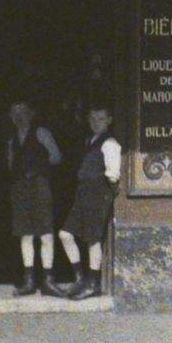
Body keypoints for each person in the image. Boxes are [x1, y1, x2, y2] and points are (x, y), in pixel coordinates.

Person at [56, 106, 121, 301]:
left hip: (97, 192)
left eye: (100, 118)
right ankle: (80, 279)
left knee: (93, 239)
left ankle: (93, 285)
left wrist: (108, 194)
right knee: (65, 234)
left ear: (109, 120)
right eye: (92, 118)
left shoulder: (110, 143)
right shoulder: (89, 141)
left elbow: (113, 173)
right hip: (83, 193)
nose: (96, 122)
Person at [5, 100, 63, 296]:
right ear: (11, 117)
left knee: (46, 233)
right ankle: (29, 281)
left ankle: (48, 280)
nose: (18, 117)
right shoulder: (12, 140)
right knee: (25, 234)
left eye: (22, 112)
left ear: (31, 114)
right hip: (20, 189)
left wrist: (39, 169)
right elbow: (11, 165)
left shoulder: (41, 133)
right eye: (14, 113)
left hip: (39, 185)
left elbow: (56, 157)